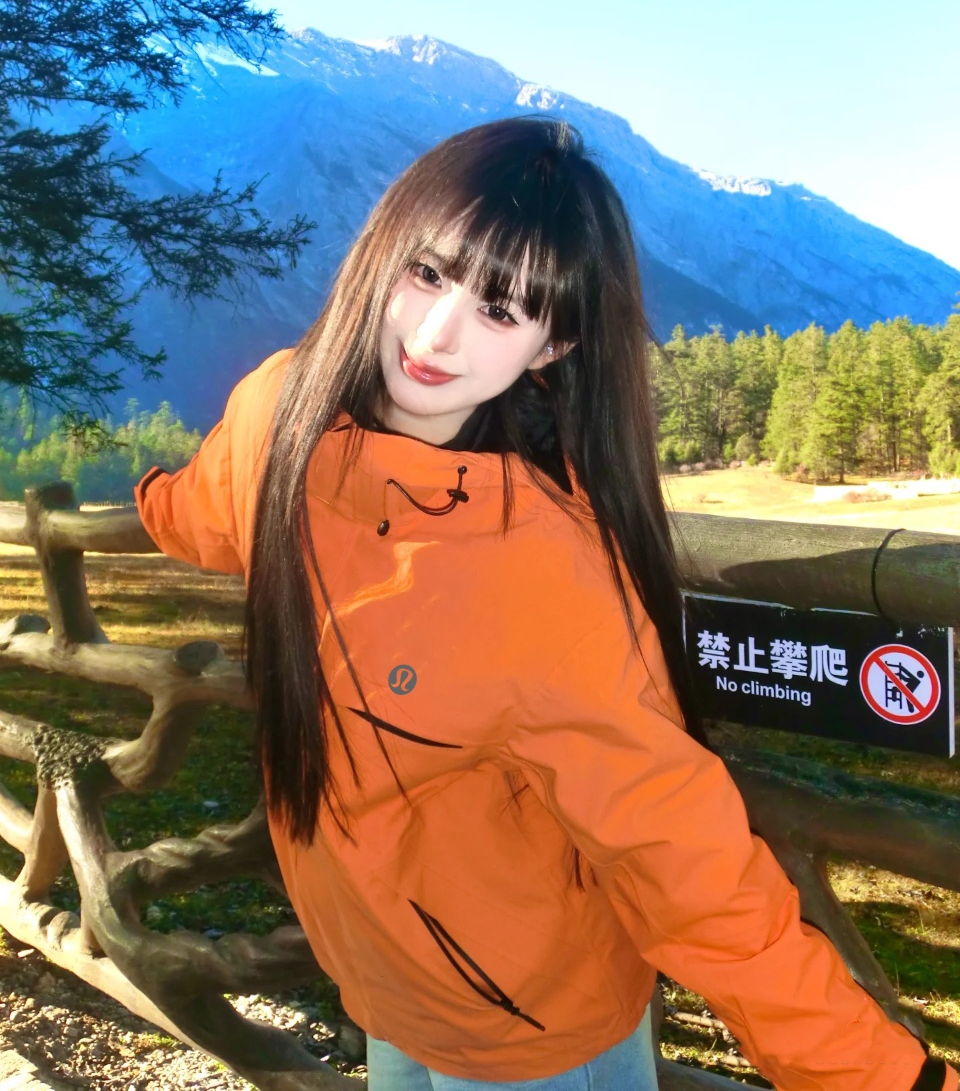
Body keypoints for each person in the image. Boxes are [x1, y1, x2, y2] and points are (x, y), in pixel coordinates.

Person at [135, 118, 955, 1091]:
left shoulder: (535, 567)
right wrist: (153, 500)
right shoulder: (276, 414)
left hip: (535, 1030)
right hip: (386, 985)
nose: (435, 336)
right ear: (383, 251)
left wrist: (878, 1075)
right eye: (427, 274)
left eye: (499, 309)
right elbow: (205, 507)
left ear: (552, 343)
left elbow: (682, 860)